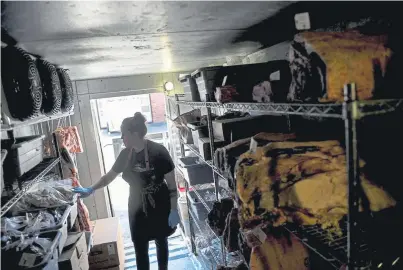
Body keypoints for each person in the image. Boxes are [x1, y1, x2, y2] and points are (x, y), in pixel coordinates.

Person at [73, 112, 180, 270]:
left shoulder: (159, 151)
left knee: (161, 239)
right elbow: (109, 177)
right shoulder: (125, 154)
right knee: (139, 244)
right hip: (137, 203)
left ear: (134, 134)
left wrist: (173, 209)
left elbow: (171, 184)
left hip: (159, 201)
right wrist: (91, 189)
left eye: (124, 133)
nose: (122, 137)